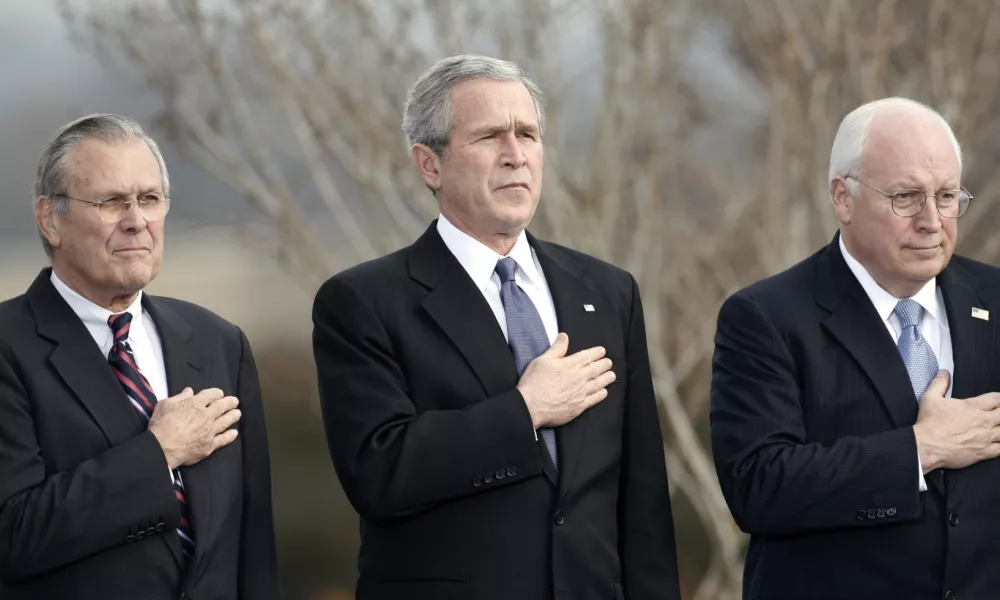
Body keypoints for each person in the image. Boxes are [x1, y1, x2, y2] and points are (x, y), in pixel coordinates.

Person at [312, 54, 681, 600]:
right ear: (429, 165)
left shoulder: (607, 290)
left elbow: (641, 494)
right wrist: (524, 410)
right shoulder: (363, 301)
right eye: (489, 137)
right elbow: (379, 472)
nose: (516, 156)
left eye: (528, 134)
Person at [711, 97, 1000, 599]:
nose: (932, 220)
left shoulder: (994, 299)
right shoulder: (766, 317)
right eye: (906, 197)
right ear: (843, 198)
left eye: (948, 196)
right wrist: (921, 449)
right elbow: (758, 487)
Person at [0, 114, 281, 599]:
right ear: (50, 218)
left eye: (149, 199)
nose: (136, 221)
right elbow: (15, 536)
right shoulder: (9, 345)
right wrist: (158, 453)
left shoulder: (218, 342)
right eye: (111, 202)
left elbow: (252, 546)